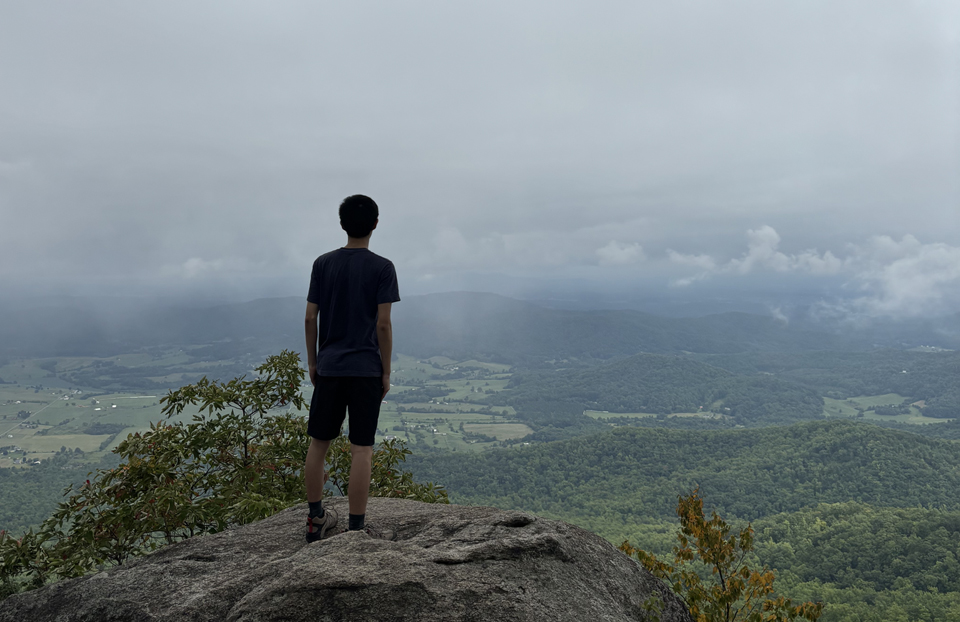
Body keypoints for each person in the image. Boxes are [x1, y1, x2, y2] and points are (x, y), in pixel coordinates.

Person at [303, 194, 399, 542]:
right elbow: (383, 325)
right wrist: (385, 371)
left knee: (318, 444)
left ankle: (316, 520)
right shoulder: (383, 268)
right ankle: (356, 528)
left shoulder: (323, 264)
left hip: (329, 367)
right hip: (365, 370)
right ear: (375, 224)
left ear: (342, 224)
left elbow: (310, 316)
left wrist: (314, 361)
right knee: (362, 448)